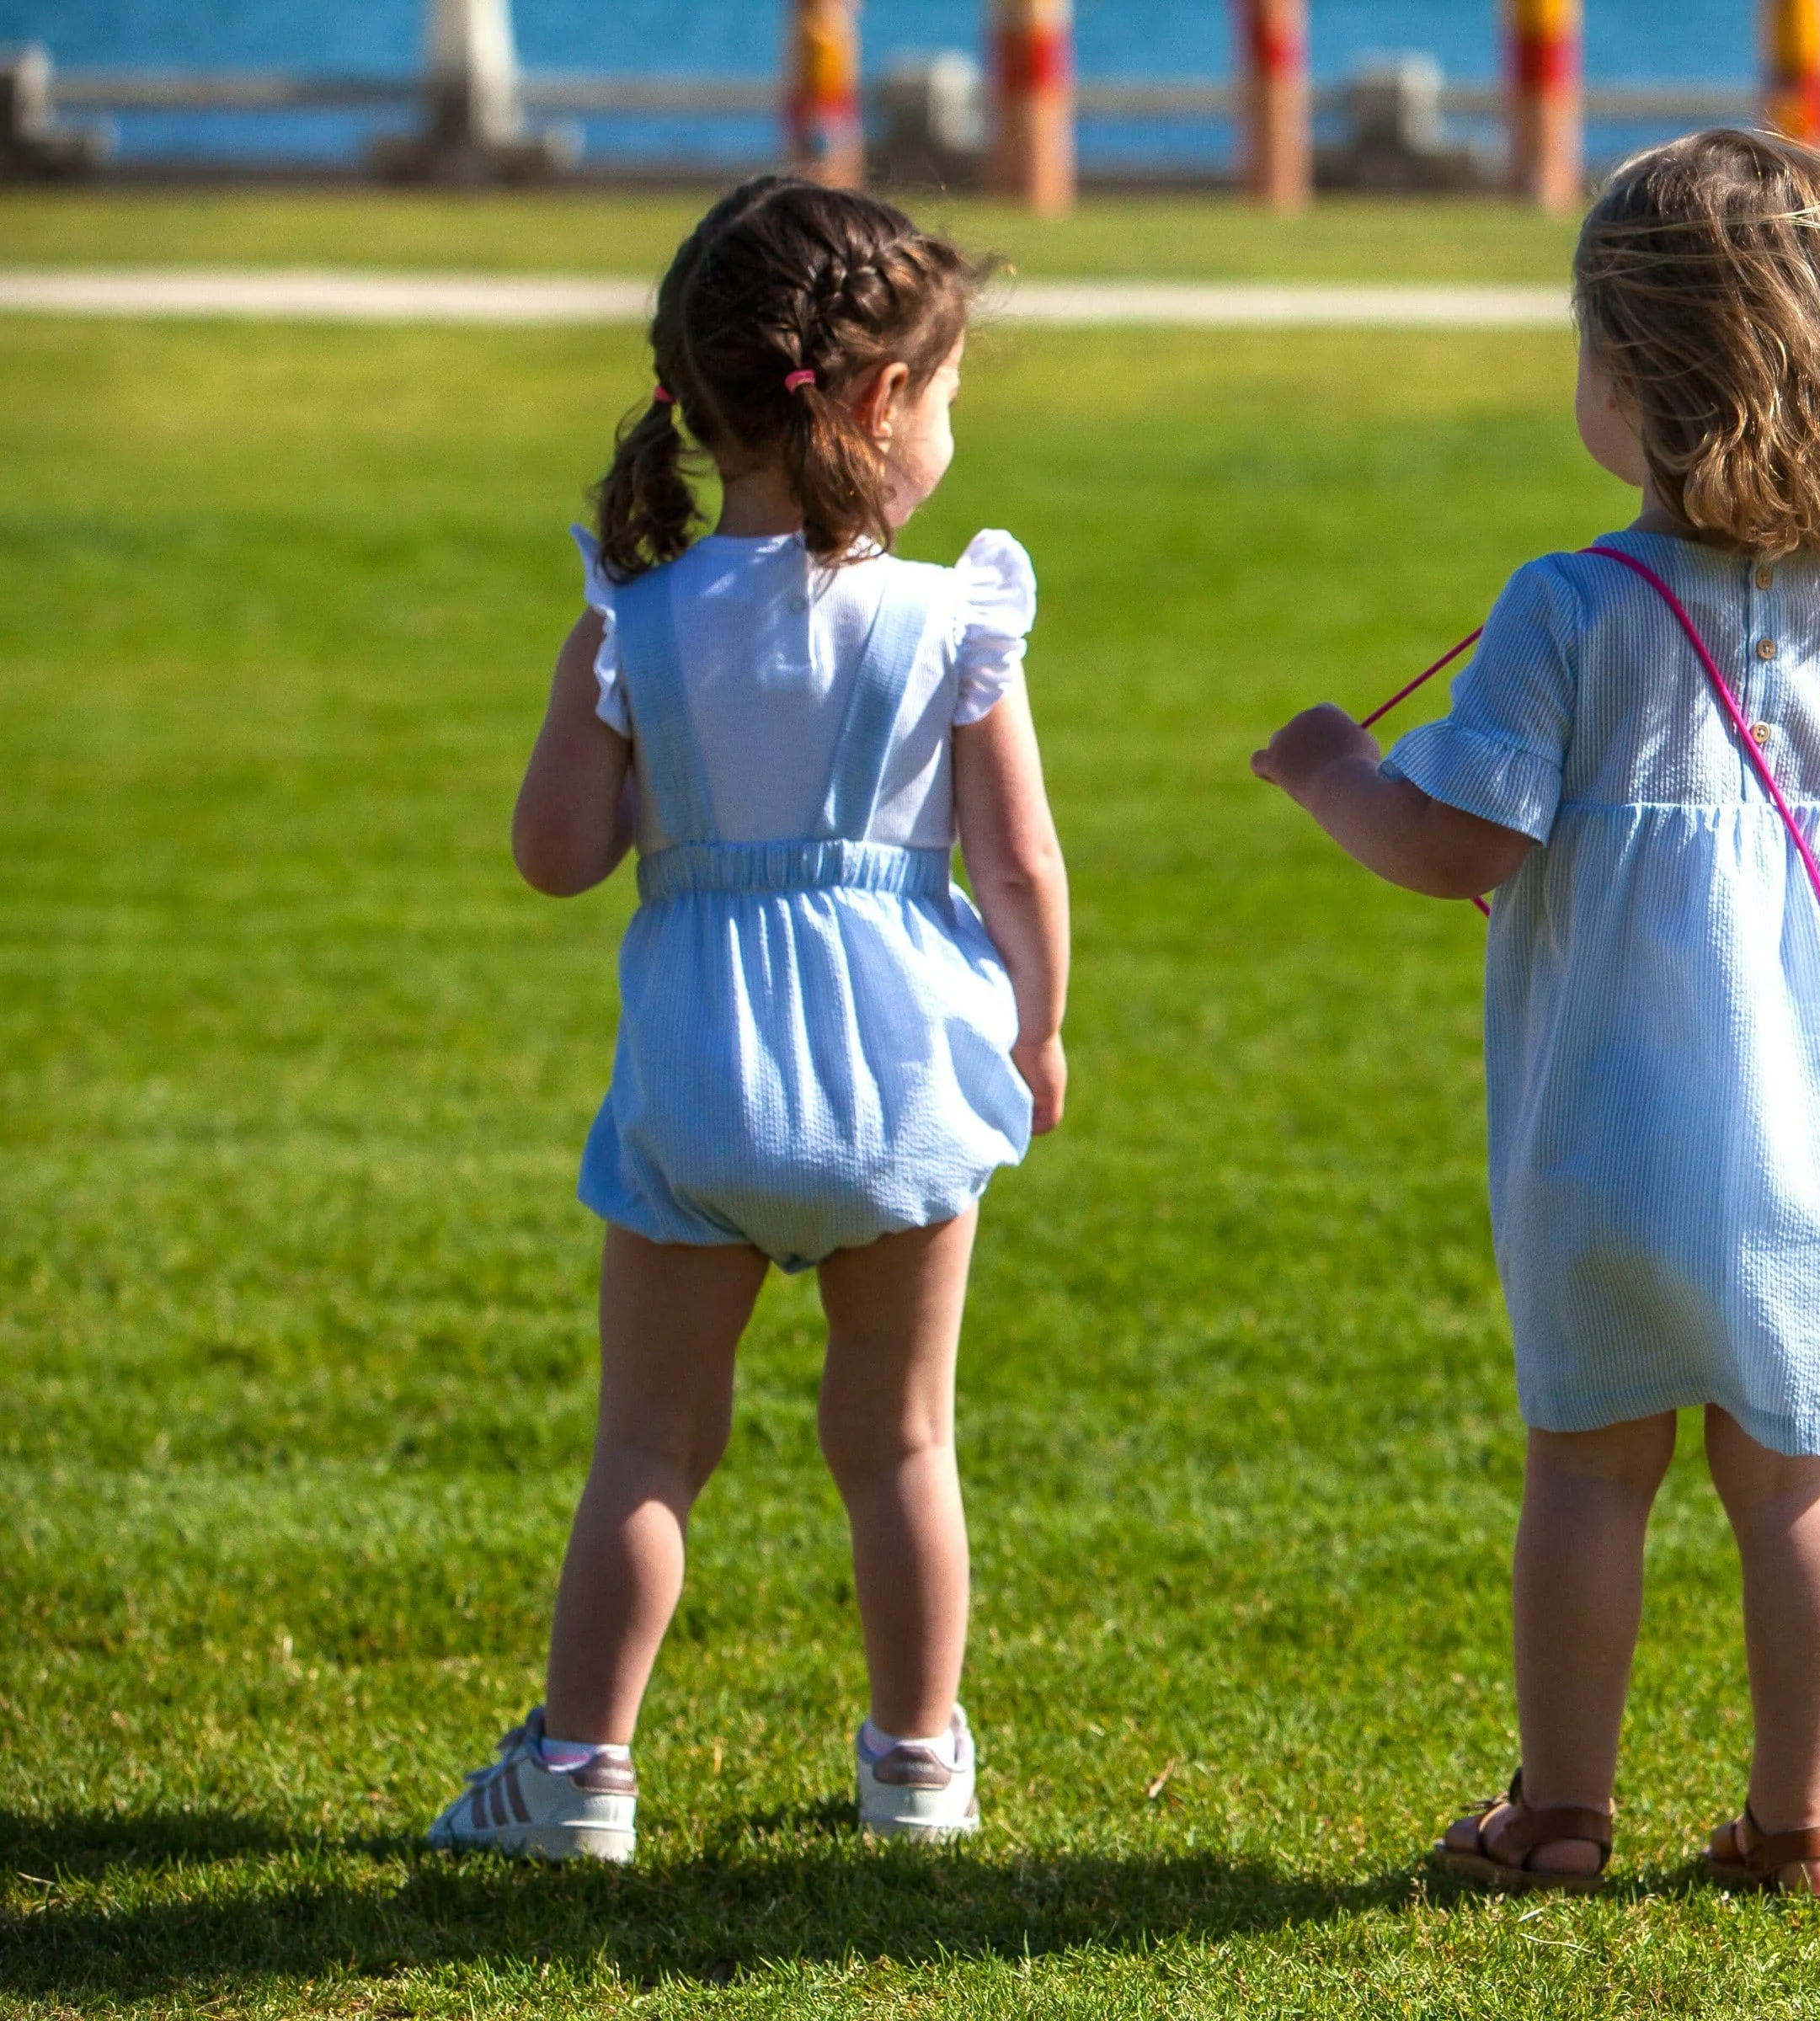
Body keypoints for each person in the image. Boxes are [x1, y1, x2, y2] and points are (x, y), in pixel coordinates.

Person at [1253, 129, 1820, 1901]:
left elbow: (1454, 839)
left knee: (1591, 1477)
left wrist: (1329, 772)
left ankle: (1563, 1813)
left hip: (1604, 1131)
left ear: (1644, 382)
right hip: (1819, 1150)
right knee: (1798, 1487)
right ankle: (1802, 1820)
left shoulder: (1570, 608)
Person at [428, 175, 1067, 1864]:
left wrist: (605, 681)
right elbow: (1019, 871)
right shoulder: (949, 622)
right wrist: (1041, 1033)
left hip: (702, 1092)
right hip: (902, 1091)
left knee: (648, 1443)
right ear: (875, 401)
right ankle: (917, 1763)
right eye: (941, 391)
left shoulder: (635, 619)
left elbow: (558, 859)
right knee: (900, 1438)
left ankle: (576, 1777)